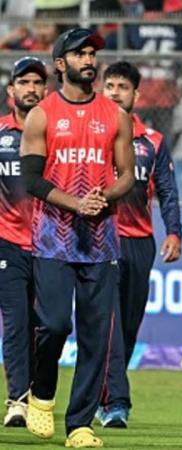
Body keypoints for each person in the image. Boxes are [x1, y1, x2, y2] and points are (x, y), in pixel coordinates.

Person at [20, 27, 135, 448]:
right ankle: (41, 391)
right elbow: (31, 179)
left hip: (101, 242)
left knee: (95, 337)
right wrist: (75, 203)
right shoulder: (42, 114)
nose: (89, 60)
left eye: (91, 53)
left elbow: (128, 175)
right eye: (79, 54)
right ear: (60, 63)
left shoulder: (115, 115)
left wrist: (104, 196)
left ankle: (80, 425)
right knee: (53, 325)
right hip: (53, 239)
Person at [96, 61, 182, 428]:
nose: (115, 92)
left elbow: (167, 191)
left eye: (123, 87)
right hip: (101, 240)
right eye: (110, 86)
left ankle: (102, 395)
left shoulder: (153, 142)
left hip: (140, 243)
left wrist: (174, 232)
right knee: (110, 323)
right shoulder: (92, 136)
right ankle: (117, 401)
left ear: (136, 94)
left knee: (128, 326)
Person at [0, 56, 47, 428]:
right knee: (16, 322)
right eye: (24, 82)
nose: (31, 88)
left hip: (51, 245)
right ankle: (17, 399)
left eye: (37, 82)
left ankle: (39, 396)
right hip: (8, 244)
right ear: (10, 89)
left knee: (46, 326)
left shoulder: (54, 133)